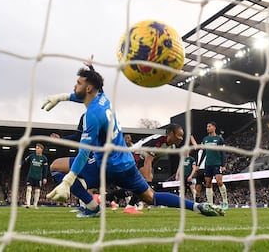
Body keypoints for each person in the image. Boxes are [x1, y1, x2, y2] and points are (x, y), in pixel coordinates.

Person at [45, 67, 224, 217]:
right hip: (127, 164)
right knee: (151, 197)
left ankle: (91, 206)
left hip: (105, 166)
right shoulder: (103, 100)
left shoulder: (92, 115)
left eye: (79, 83)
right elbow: (81, 94)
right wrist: (62, 97)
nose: (75, 86)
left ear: (89, 88)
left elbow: (83, 153)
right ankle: (198, 207)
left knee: (55, 166)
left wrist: (67, 182)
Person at [123, 125, 184, 214]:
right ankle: (130, 205)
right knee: (144, 181)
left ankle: (125, 204)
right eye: (179, 135)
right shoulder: (158, 142)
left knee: (139, 184)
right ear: (171, 134)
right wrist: (148, 178)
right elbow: (148, 160)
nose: (181, 138)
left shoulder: (169, 146)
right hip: (134, 155)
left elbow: (154, 158)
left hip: (141, 158)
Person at [200, 121, 229, 210]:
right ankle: (210, 204)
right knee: (208, 183)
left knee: (219, 182)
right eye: (207, 126)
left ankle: (225, 202)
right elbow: (204, 153)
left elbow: (222, 152)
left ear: (214, 127)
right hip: (208, 164)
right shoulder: (205, 139)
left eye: (209, 126)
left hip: (217, 164)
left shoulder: (219, 139)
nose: (208, 128)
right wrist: (199, 164)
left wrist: (223, 165)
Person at [21, 143, 49, 209]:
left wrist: (45, 177)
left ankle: (35, 205)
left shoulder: (44, 158)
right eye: (36, 148)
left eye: (38, 148)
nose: (36, 149)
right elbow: (24, 161)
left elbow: (45, 169)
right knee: (28, 189)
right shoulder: (32, 156)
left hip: (38, 176)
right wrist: (20, 165)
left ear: (41, 149)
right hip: (31, 175)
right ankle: (28, 203)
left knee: (37, 190)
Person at [191, 134, 205, 202]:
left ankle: (212, 200)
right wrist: (190, 136)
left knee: (209, 185)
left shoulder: (208, 151)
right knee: (198, 186)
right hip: (199, 170)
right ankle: (197, 200)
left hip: (206, 169)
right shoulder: (199, 151)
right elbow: (194, 143)